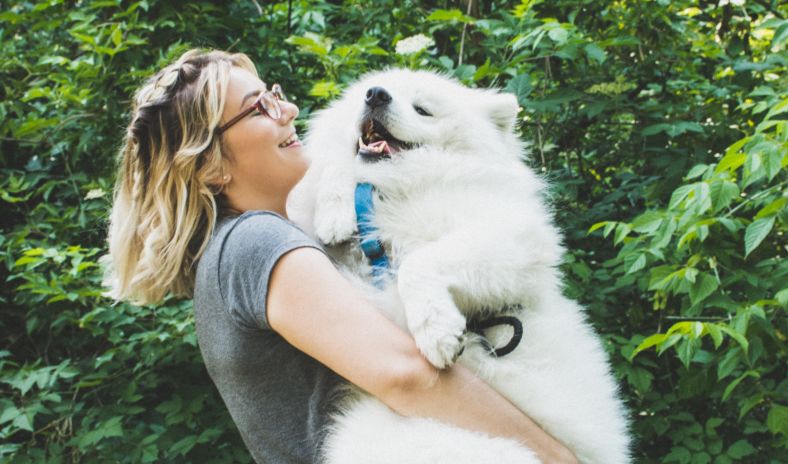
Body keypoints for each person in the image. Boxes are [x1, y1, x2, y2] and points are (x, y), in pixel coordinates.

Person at [104, 49, 578, 464]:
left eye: (275, 94)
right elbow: (406, 375)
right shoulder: (255, 242)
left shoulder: (242, 246)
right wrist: (556, 457)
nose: (287, 110)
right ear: (211, 165)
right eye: (259, 109)